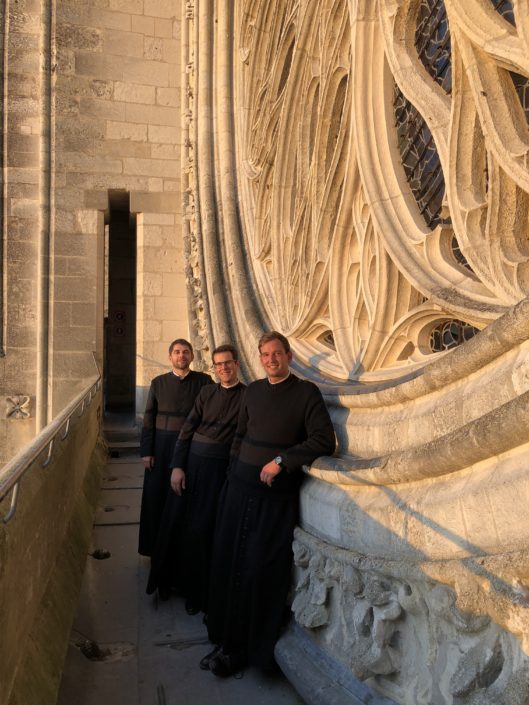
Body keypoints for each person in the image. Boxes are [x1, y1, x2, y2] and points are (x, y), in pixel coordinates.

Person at [202, 331, 336, 676]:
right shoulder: (254, 392)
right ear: (259, 359)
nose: (271, 360)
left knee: (258, 571)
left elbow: (323, 439)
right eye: (264, 355)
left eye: (277, 354)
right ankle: (223, 640)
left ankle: (248, 651)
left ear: (289, 356)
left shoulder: (307, 393)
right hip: (239, 489)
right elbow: (240, 436)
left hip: (272, 498)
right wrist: (232, 473)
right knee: (228, 562)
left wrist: (281, 460)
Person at [146, 344, 246, 607]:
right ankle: (166, 583)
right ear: (214, 368)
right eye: (218, 364)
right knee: (175, 524)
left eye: (228, 363)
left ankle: (195, 593)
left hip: (217, 471)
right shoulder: (206, 392)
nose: (223, 368)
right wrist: (177, 466)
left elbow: (242, 438)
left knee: (202, 530)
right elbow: (187, 430)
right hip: (190, 465)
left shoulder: (248, 396)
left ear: (237, 364)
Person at [138, 338, 213, 557]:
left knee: (184, 495)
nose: (182, 356)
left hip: (191, 446)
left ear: (192, 356)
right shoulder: (158, 383)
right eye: (177, 352)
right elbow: (148, 418)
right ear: (170, 357)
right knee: (156, 495)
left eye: (186, 352)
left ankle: (180, 548)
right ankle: (154, 547)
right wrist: (146, 451)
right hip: (161, 447)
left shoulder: (204, 381)